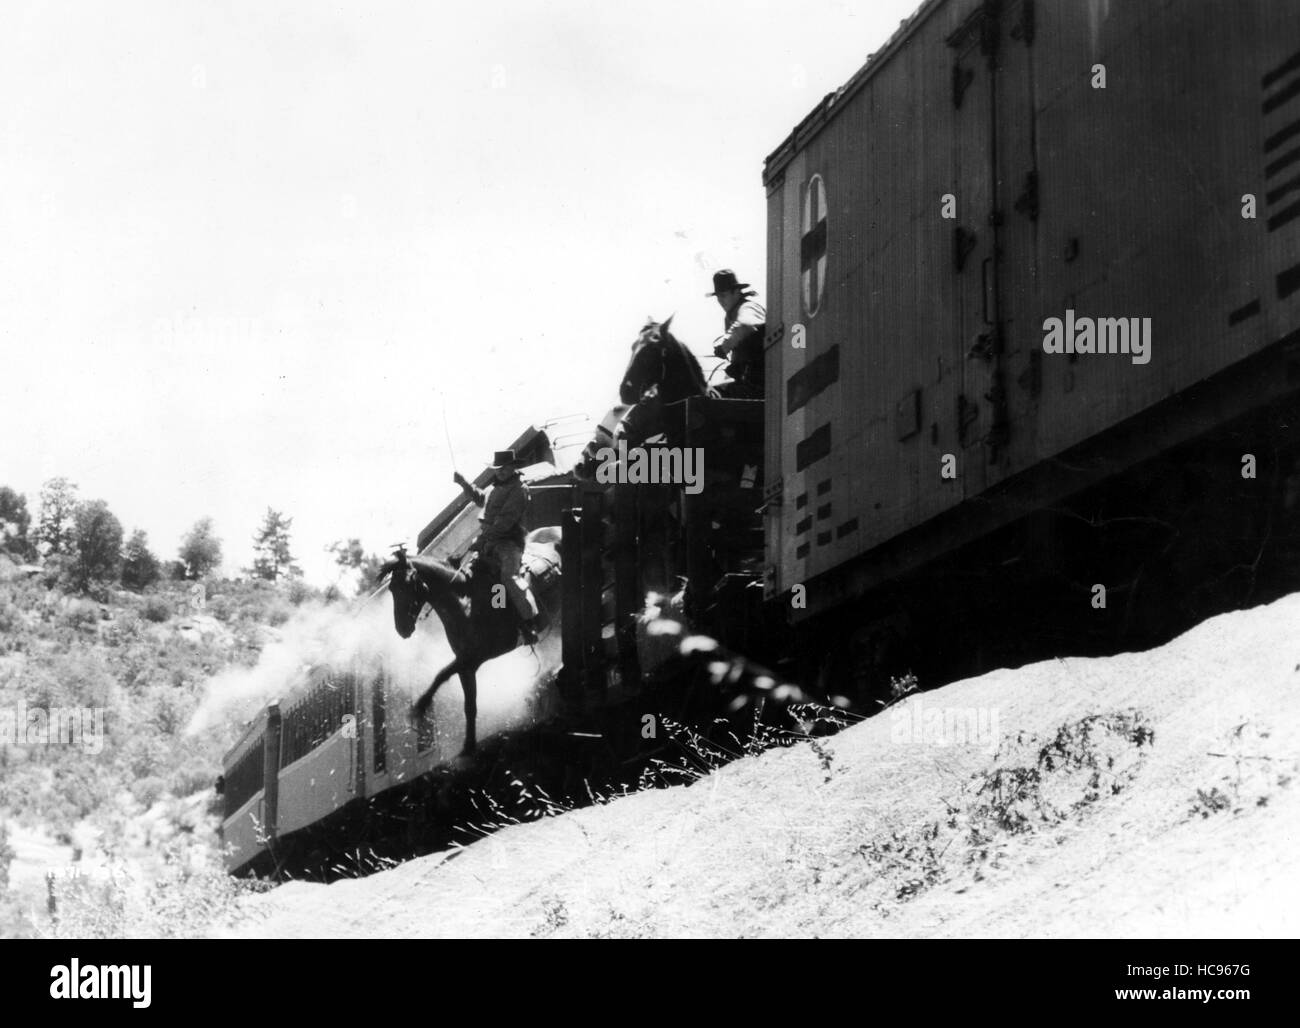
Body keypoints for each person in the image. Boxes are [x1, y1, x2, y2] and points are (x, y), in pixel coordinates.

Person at [453, 450, 540, 644]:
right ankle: (496, 614)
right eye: (497, 469)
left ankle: (529, 622)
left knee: (507, 577)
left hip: (509, 543)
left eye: (503, 469)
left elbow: (504, 522)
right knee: (475, 577)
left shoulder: (518, 489)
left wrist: (482, 541)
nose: (499, 472)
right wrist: (463, 483)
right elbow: (480, 498)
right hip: (490, 541)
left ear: (512, 468)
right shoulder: (495, 488)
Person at [708, 269, 766, 399]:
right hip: (747, 380)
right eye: (718, 297)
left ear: (736, 292)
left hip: (761, 381)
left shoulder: (748, 307)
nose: (720, 301)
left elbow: (745, 325)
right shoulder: (730, 316)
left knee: (713, 398)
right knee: (712, 393)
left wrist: (724, 345)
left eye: (723, 295)